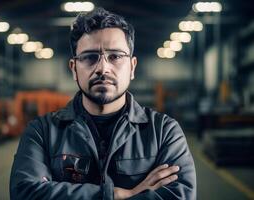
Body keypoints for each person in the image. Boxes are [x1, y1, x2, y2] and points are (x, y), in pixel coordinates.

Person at [10, 7, 196, 200]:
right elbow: (25, 193)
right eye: (90, 57)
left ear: (132, 67)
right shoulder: (42, 132)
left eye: (115, 56)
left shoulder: (164, 133)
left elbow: (178, 196)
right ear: (74, 69)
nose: (103, 68)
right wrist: (117, 195)